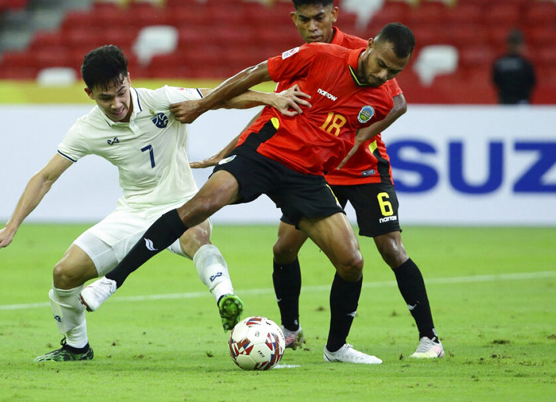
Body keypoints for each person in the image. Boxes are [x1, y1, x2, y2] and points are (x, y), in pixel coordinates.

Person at [81, 22, 416, 364]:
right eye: (381, 63)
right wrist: (203, 105)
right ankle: (111, 281)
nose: (383, 74)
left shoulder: (384, 96)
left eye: (394, 71)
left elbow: (384, 111)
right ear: (370, 44)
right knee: (201, 205)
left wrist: (349, 144)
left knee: (352, 261)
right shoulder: (319, 55)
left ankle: (337, 348)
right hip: (264, 152)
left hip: (306, 177)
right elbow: (253, 74)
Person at [0, 45, 309, 362]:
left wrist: (271, 98)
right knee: (64, 273)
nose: (117, 103)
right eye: (106, 98)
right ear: (89, 94)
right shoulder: (86, 129)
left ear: (128, 79)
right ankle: (76, 347)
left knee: (196, 237)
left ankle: (226, 298)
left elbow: (221, 98)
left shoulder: (161, 99)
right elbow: (45, 177)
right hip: (133, 213)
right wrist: (12, 226)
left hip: (183, 204)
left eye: (120, 92)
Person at [188, 0, 443, 359]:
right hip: (315, 170)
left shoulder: (364, 51)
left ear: (333, 15)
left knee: (390, 249)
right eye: (304, 20)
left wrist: (361, 136)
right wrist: (227, 151)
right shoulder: (306, 57)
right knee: (284, 249)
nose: (312, 27)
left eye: (319, 19)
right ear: (294, 18)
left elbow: (399, 103)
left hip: (363, 168)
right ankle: (290, 329)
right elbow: (271, 113)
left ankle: (429, 338)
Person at [492, 28, 536, 105]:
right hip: (515, 101)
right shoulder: (525, 63)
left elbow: (496, 81)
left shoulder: (500, 63)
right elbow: (531, 82)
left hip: (509, 101)